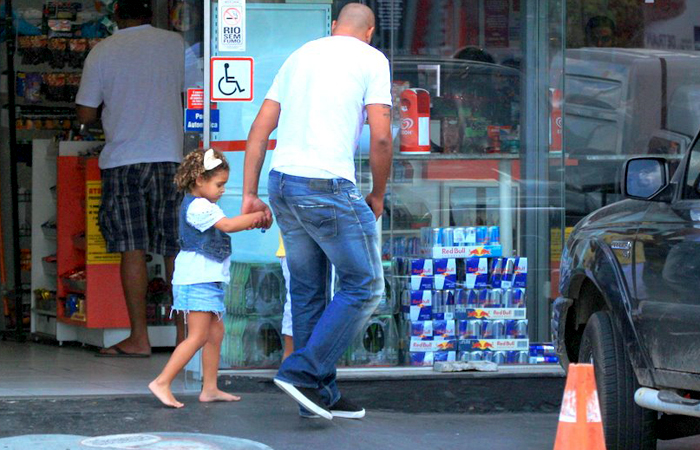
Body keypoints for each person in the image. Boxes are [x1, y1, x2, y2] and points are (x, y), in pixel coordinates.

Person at [242, 3, 393, 421]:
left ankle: (319, 395)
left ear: (333, 26)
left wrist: (250, 193)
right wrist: (378, 194)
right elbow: (381, 139)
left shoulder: (301, 54)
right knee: (365, 285)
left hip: (284, 183)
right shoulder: (371, 58)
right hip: (327, 185)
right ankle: (303, 373)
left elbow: (260, 128)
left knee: (308, 292)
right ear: (370, 31)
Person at [75, 0, 186, 356]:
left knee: (131, 249)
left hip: (123, 161)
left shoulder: (102, 51)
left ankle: (139, 337)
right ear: (151, 14)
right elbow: (197, 96)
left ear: (117, 16)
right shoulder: (176, 45)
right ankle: (186, 336)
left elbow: (87, 112)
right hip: (171, 158)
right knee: (175, 249)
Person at [148, 149, 265, 408]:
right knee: (198, 336)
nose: (222, 189)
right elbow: (229, 226)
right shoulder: (198, 206)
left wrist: (252, 220)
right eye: (219, 184)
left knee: (215, 333)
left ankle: (210, 387)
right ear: (199, 180)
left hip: (206, 281)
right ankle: (162, 381)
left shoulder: (205, 204)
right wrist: (256, 217)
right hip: (196, 281)